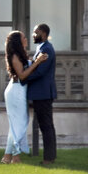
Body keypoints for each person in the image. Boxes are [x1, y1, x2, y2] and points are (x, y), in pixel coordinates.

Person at [23, 21, 57, 166]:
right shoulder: (41, 48)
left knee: (46, 126)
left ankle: (48, 159)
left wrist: (22, 76)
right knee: (46, 125)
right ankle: (50, 157)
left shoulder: (46, 49)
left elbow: (40, 72)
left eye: (35, 32)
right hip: (40, 93)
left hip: (43, 94)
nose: (33, 35)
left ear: (43, 34)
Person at [1, 29, 34, 163]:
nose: (26, 39)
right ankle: (15, 156)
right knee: (20, 124)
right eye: (24, 38)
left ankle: (8, 156)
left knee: (16, 124)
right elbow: (22, 75)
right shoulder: (14, 56)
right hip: (16, 91)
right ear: (18, 41)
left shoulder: (20, 55)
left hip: (20, 90)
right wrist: (36, 63)